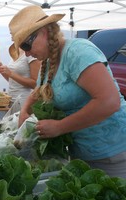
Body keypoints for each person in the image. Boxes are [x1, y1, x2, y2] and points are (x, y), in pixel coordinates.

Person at [13, 6, 126, 178]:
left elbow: (109, 101)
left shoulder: (78, 52)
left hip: (112, 152)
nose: (27, 52)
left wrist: (59, 127)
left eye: (26, 45)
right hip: (82, 152)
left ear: (44, 31)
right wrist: (24, 110)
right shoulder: (48, 62)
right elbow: (39, 90)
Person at [0, 16, 41, 106]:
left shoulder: (31, 52)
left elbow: (35, 84)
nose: (10, 33)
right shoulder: (16, 51)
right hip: (12, 99)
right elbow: (13, 80)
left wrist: (11, 73)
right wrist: (3, 71)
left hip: (23, 101)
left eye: (13, 31)